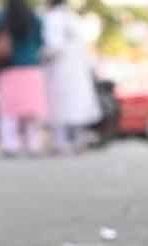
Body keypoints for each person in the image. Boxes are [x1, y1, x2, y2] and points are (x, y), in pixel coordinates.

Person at [42, 0, 101, 153]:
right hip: (77, 68)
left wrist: (40, 55)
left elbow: (54, 46)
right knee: (76, 104)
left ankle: (60, 143)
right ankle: (78, 141)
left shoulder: (52, 18)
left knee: (59, 105)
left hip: (60, 69)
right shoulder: (72, 17)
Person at [0, 0, 47, 156]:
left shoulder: (1, 16)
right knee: (32, 110)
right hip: (31, 66)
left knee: (8, 111)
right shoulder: (34, 16)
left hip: (9, 67)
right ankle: (33, 144)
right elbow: (41, 40)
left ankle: (10, 145)